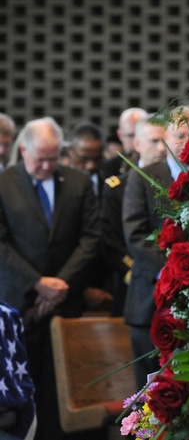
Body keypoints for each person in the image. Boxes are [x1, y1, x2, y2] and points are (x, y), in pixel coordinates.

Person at [0, 117, 101, 440]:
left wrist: (59, 284)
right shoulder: (4, 183)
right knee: (25, 394)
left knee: (63, 393)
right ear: (23, 149)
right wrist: (38, 283)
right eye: (39, 158)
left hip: (66, 301)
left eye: (52, 158)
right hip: (21, 303)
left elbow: (90, 239)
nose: (46, 165)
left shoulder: (78, 182)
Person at [122, 106, 189, 388]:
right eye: (179, 135)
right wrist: (176, 271)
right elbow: (135, 235)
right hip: (149, 302)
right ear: (165, 136)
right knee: (149, 392)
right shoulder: (143, 176)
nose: (185, 142)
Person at [101, 116, 167, 317]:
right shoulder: (117, 187)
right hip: (133, 281)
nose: (162, 149)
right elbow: (111, 239)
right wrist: (137, 266)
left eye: (165, 141)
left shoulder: (176, 182)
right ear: (137, 144)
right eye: (154, 141)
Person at [102, 107, 149, 177]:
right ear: (120, 135)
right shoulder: (109, 168)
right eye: (130, 136)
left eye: (140, 135)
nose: (136, 142)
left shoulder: (163, 165)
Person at [67, 120, 106, 196]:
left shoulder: (110, 182)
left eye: (97, 159)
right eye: (83, 159)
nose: (91, 165)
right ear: (70, 151)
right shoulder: (58, 183)